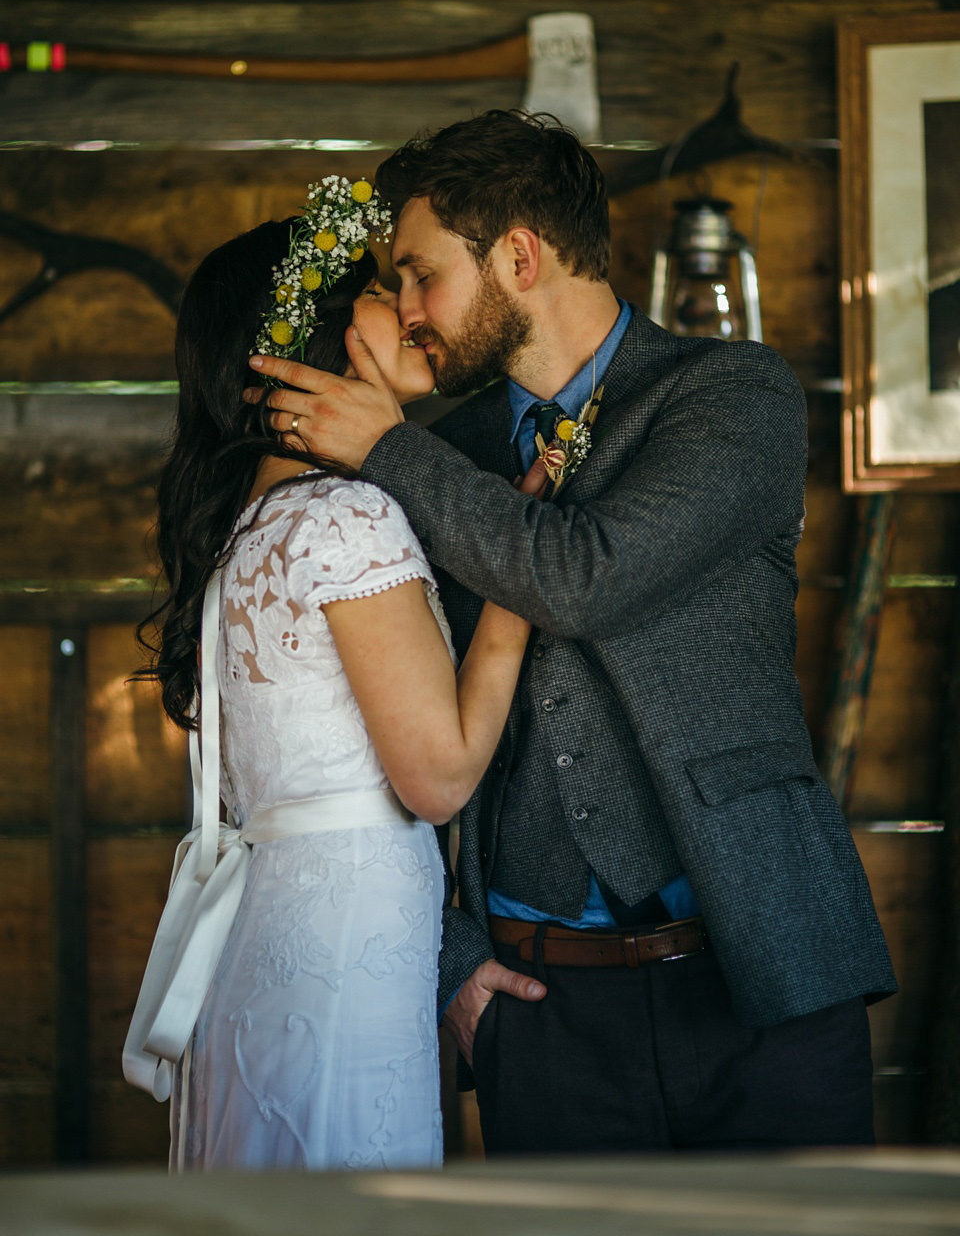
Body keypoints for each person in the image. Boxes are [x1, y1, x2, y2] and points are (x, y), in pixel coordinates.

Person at [248, 112, 898, 1155]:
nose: (405, 313)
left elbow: (585, 577)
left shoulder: (731, 395)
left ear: (518, 255)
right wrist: (457, 968)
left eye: (419, 275)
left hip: (761, 973)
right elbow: (369, 726)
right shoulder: (432, 454)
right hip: (536, 1007)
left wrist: (388, 449)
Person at [123, 176, 539, 1171]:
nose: (405, 308)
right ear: (306, 336)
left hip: (268, 929)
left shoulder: (247, 533)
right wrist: (526, 575)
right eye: (374, 287)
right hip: (347, 939)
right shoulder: (346, 518)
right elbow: (437, 775)